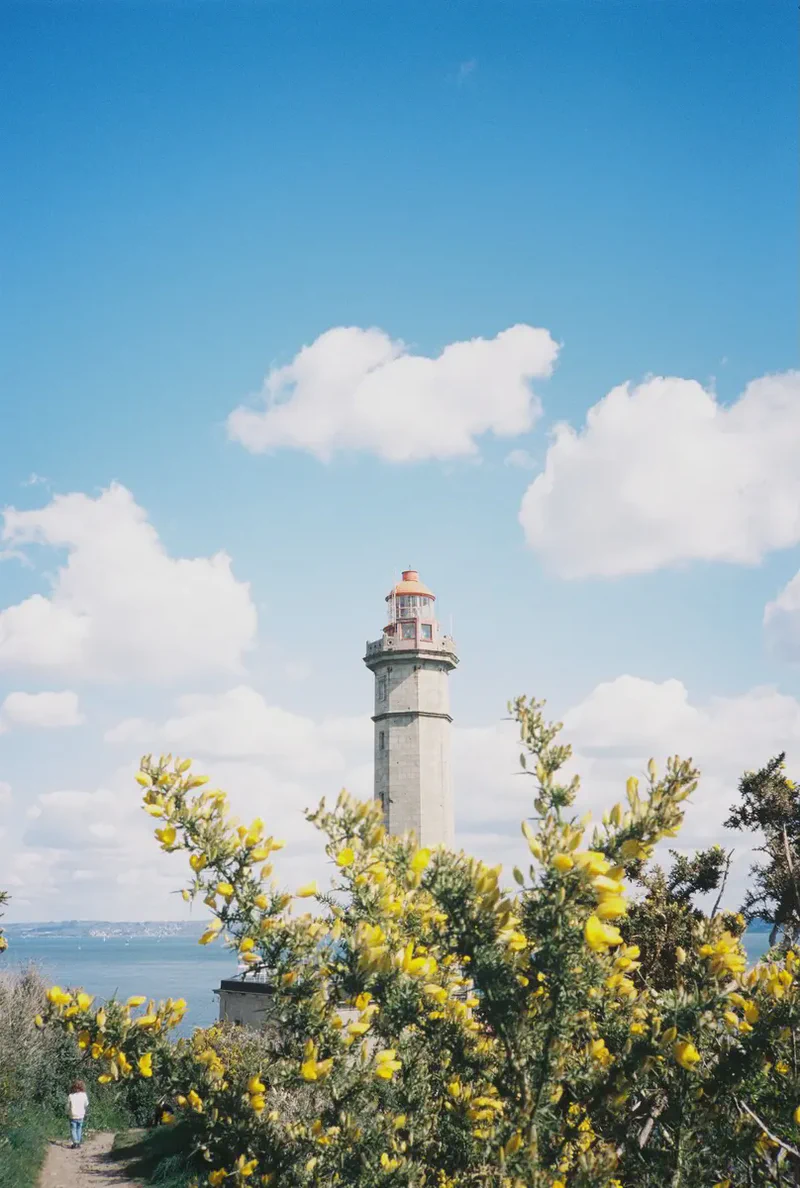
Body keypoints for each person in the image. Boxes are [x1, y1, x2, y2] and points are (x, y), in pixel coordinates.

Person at [67, 1079, 89, 1149]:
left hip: (73, 1115)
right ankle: (78, 1142)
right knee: (79, 1128)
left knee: (73, 1129)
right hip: (81, 1115)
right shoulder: (84, 1095)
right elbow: (86, 1104)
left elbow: (67, 1106)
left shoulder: (70, 1096)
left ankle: (75, 1143)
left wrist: (67, 1112)